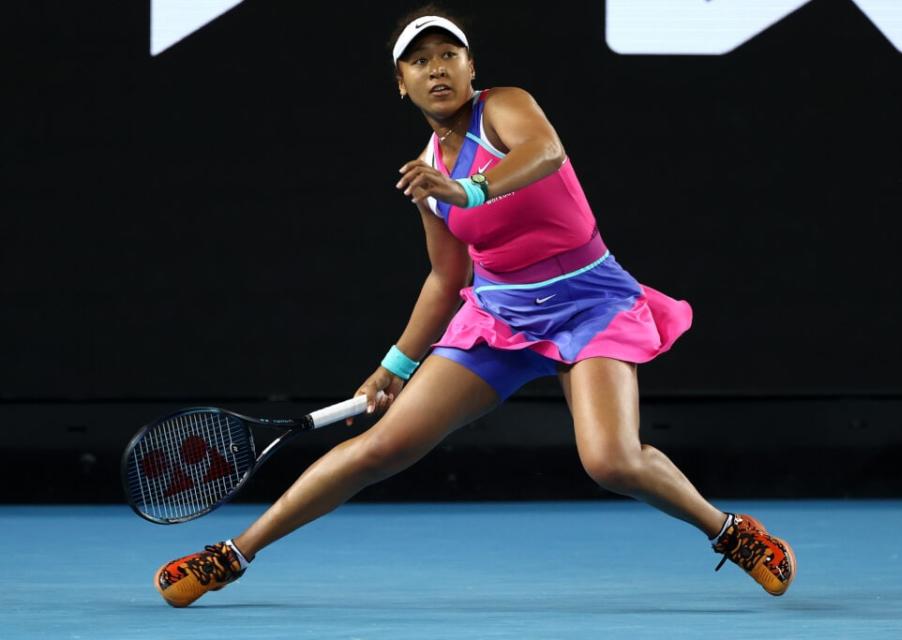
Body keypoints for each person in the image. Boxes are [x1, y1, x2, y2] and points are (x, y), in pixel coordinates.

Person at [153, 7, 795, 608]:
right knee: (382, 448)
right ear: (400, 84)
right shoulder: (424, 176)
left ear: (470, 67)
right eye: (419, 61)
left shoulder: (505, 108)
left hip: (589, 303)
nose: (436, 68)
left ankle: (731, 531)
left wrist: (469, 187)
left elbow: (544, 154)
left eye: (448, 54)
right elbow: (445, 277)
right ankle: (231, 555)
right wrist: (394, 367)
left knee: (611, 461)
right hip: (498, 316)